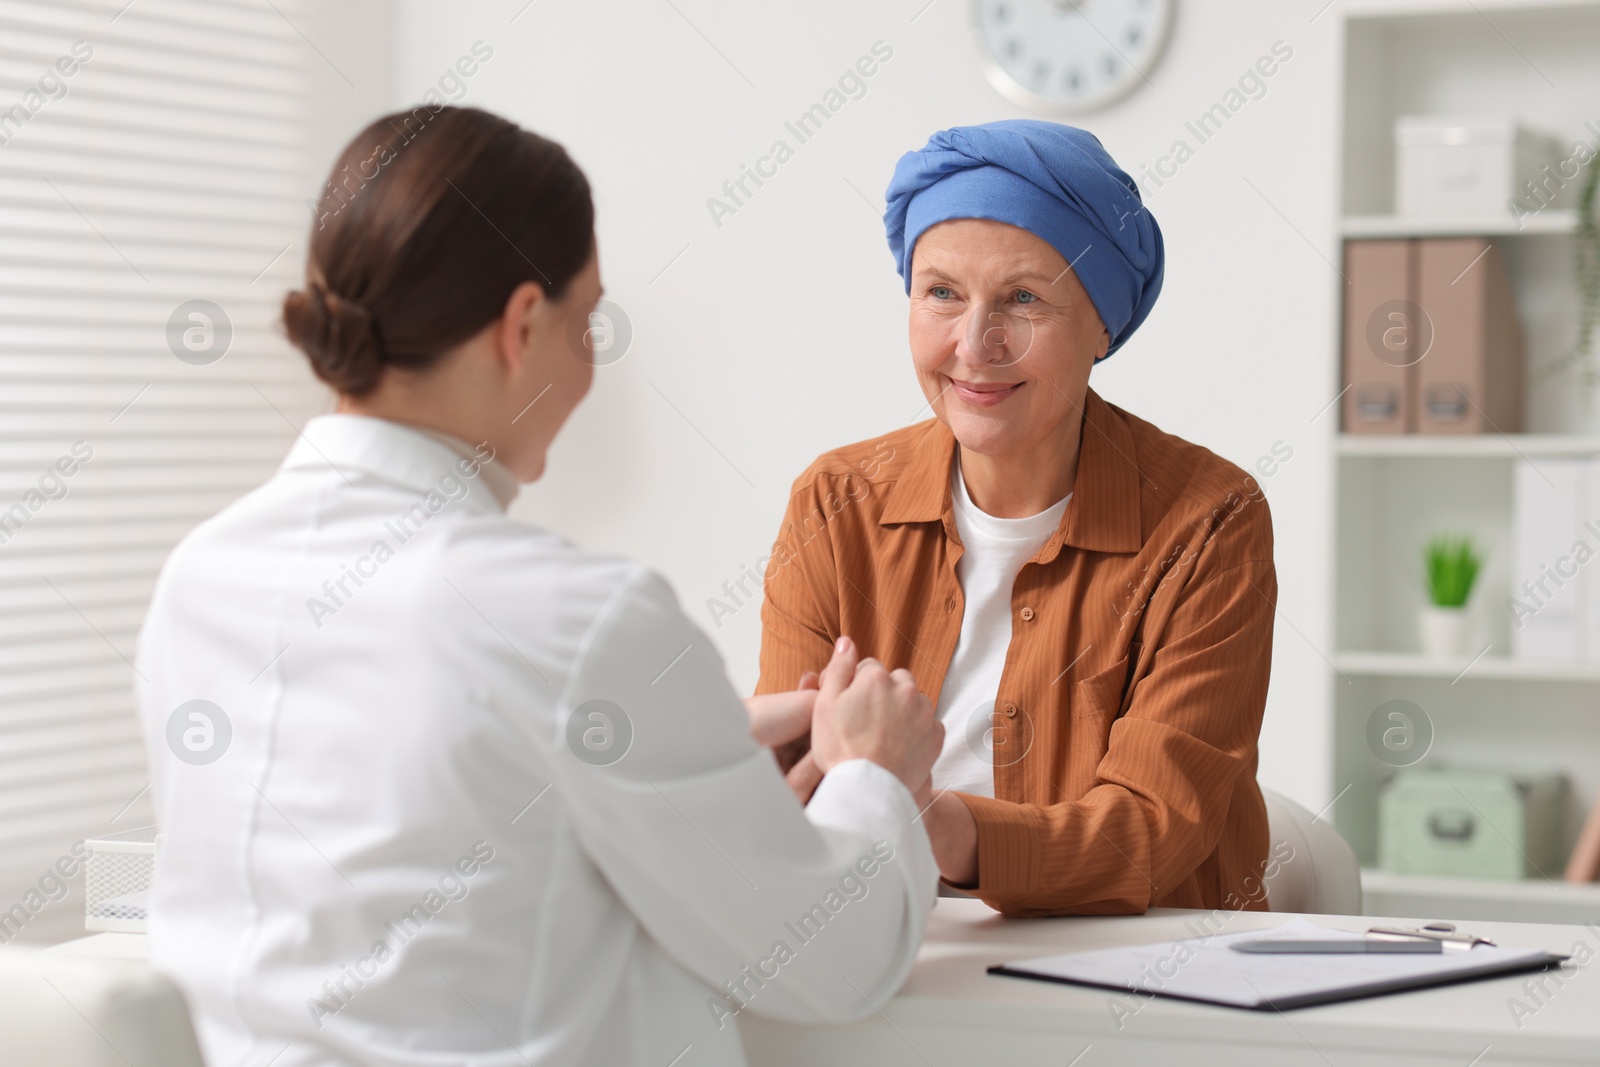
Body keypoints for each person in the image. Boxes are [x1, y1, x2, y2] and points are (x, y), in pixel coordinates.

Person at [135, 106, 943, 1067]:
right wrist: (871, 774)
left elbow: (425, 816)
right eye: (587, 321)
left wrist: (692, 734)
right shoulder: (579, 620)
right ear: (523, 325)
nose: (592, 358)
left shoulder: (200, 577)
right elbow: (832, 962)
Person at [760, 120, 1278, 918]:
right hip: (889, 943)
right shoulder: (835, 502)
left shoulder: (1209, 521)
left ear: (1103, 323)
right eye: (942, 294)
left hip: (1140, 982)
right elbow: (792, 787)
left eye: (1023, 299)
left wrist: (925, 822)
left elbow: (1150, 833)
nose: (975, 344)